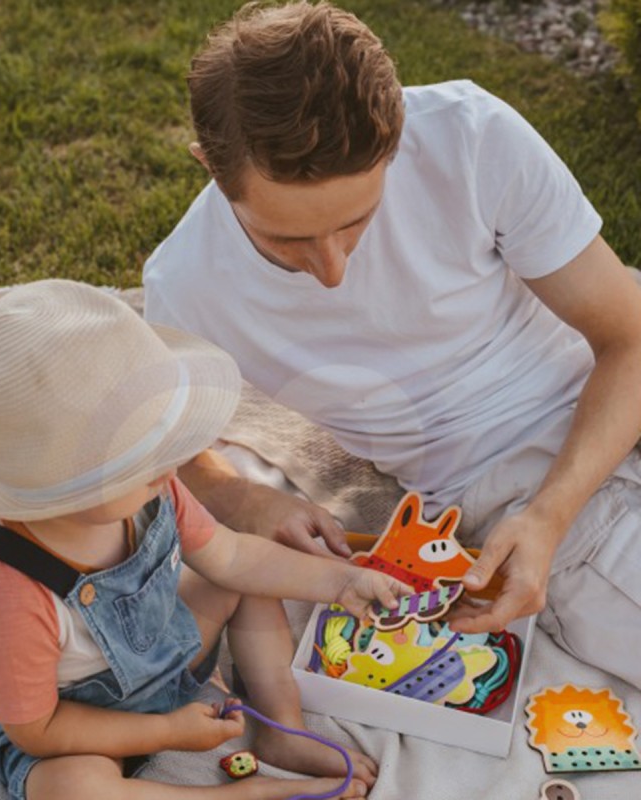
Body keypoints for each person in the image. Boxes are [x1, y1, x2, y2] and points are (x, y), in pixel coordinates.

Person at [142, 0, 641, 689]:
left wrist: (549, 519)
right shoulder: (186, 286)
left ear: (399, 138)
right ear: (208, 165)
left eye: (357, 221)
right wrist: (251, 504)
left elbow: (628, 336)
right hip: (504, 474)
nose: (333, 270)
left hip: (607, 401)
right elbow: (164, 449)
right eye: (286, 240)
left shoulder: (471, 138)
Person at [0, 279, 409, 800]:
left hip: (164, 658)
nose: (170, 464)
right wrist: (172, 732)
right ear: (59, 488)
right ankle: (235, 795)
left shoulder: (153, 490)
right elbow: (37, 730)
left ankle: (279, 727)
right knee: (70, 788)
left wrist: (341, 582)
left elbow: (232, 558)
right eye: (142, 456)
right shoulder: (7, 594)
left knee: (247, 577)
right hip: (76, 724)